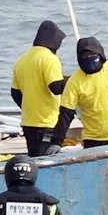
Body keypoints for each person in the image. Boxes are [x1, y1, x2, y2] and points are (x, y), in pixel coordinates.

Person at [49, 37, 108, 150]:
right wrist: (57, 142)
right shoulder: (74, 81)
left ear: (100, 55)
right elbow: (65, 114)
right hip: (94, 140)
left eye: (92, 55)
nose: (89, 59)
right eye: (84, 57)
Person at [10, 20, 67, 156]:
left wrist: (29, 107)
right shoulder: (49, 59)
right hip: (48, 122)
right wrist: (74, 80)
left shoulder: (21, 60)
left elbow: (15, 93)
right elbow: (56, 87)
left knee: (34, 158)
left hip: (29, 123)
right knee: (47, 162)